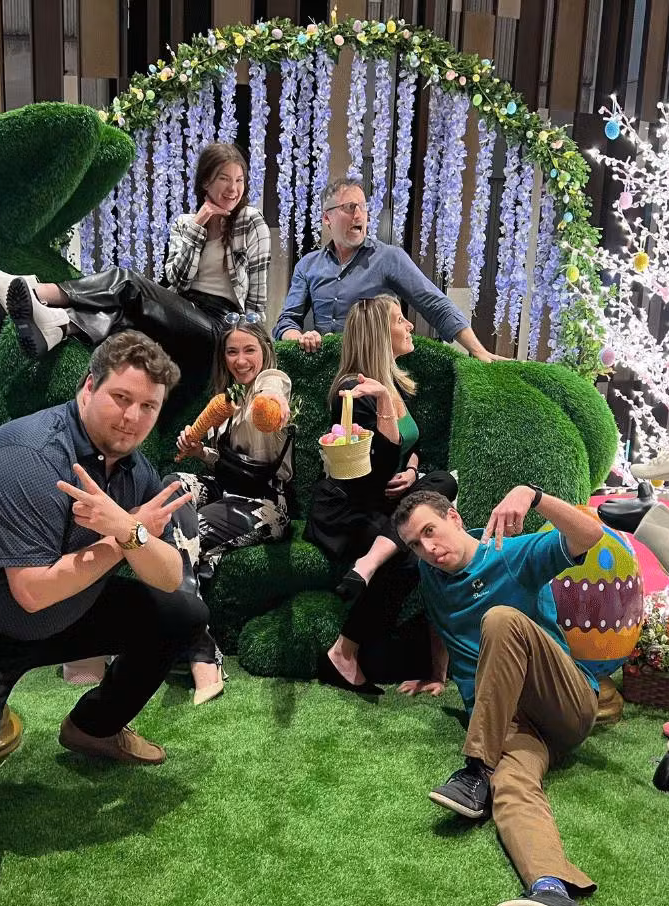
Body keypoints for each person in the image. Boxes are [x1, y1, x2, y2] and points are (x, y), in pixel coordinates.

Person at [0, 331, 204, 863]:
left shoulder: (134, 467)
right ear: (88, 388)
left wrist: (128, 531)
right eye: (121, 398)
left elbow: (171, 575)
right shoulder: (27, 457)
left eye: (148, 406)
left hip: (60, 608)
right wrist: (123, 536)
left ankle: (93, 729)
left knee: (181, 613)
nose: (132, 417)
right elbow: (33, 591)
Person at [392, 487, 606, 906]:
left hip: (563, 703)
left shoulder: (510, 553)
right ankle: (551, 892)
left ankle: (475, 769)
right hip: (508, 724)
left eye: (430, 531)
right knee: (510, 786)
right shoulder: (431, 574)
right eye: (415, 544)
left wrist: (534, 496)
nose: (428, 548)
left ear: (454, 517)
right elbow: (440, 622)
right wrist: (436, 673)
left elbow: (591, 535)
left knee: (501, 619)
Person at [0, 142, 271, 382]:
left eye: (239, 180)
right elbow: (178, 280)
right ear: (206, 181)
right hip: (187, 311)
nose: (233, 189)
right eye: (224, 179)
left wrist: (249, 347)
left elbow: (256, 301)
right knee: (123, 312)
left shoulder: (250, 221)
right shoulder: (185, 223)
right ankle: (59, 326)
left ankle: (35, 291)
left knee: (127, 281)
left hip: (221, 327)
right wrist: (199, 225)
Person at [304, 294, 459, 690]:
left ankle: (369, 563)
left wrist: (412, 470)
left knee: (443, 481)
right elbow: (370, 473)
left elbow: (410, 447)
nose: (409, 326)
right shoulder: (354, 391)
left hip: (385, 502)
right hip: (350, 507)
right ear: (378, 333)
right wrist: (385, 402)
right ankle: (343, 653)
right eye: (399, 319)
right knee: (407, 557)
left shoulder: (393, 383)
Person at [165, 317, 294, 705]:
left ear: (264, 351)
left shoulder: (271, 381)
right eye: (232, 351)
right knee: (171, 487)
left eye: (249, 350)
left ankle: (199, 650)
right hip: (226, 490)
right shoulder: (227, 397)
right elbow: (224, 463)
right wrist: (198, 450)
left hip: (266, 503)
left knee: (184, 533)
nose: (240, 360)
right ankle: (196, 630)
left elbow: (274, 398)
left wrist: (271, 407)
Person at [272, 177, 499, 362]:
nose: (359, 215)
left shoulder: (389, 258)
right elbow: (286, 321)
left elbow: (435, 305)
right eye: (349, 207)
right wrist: (301, 338)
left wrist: (478, 350)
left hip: (376, 374)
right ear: (326, 217)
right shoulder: (308, 265)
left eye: (363, 207)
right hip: (324, 372)